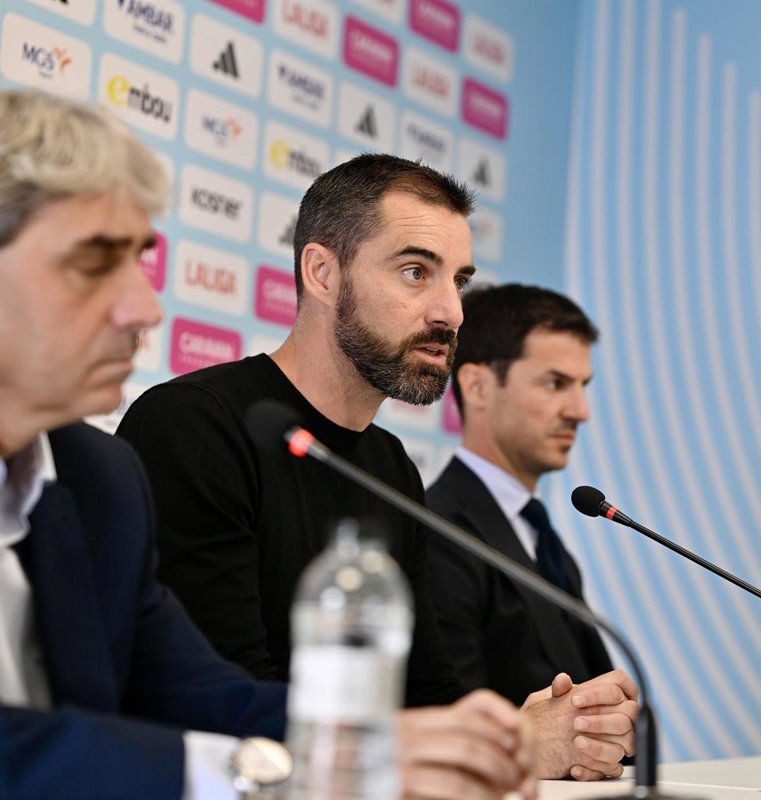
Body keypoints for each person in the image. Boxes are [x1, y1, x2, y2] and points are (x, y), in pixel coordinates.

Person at [0, 90, 534, 800]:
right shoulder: (188, 427)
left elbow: (198, 692)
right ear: (321, 272)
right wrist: (251, 768)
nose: (144, 307)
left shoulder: (94, 477)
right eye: (93, 263)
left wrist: (406, 748)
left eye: (138, 260)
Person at [117, 155, 637, 780]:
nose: (452, 312)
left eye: (458, 281)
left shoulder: (390, 467)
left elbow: (424, 689)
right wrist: (512, 743)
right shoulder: (193, 427)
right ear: (322, 272)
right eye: (416, 272)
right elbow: (220, 705)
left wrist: (524, 730)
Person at [426, 285, 615, 708]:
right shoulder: (437, 532)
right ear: (477, 387)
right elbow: (453, 720)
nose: (580, 410)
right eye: (555, 383)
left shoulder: (544, 541)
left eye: (583, 385)